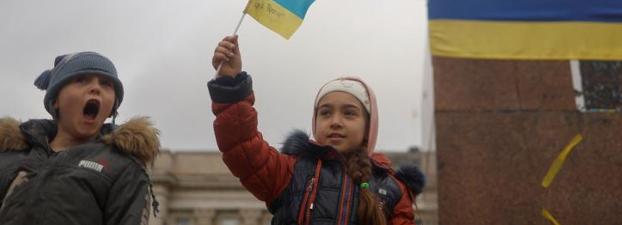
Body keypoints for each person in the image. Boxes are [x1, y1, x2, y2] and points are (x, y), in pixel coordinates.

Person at [208, 36, 425, 225]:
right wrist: (230, 83)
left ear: (369, 127)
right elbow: (242, 146)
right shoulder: (291, 171)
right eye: (326, 113)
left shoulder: (392, 189)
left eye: (349, 113)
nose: (335, 121)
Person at [0, 51, 160, 225]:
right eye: (81, 80)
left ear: (112, 108)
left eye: (106, 84)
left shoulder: (124, 168)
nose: (95, 88)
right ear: (56, 101)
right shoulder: (9, 157)